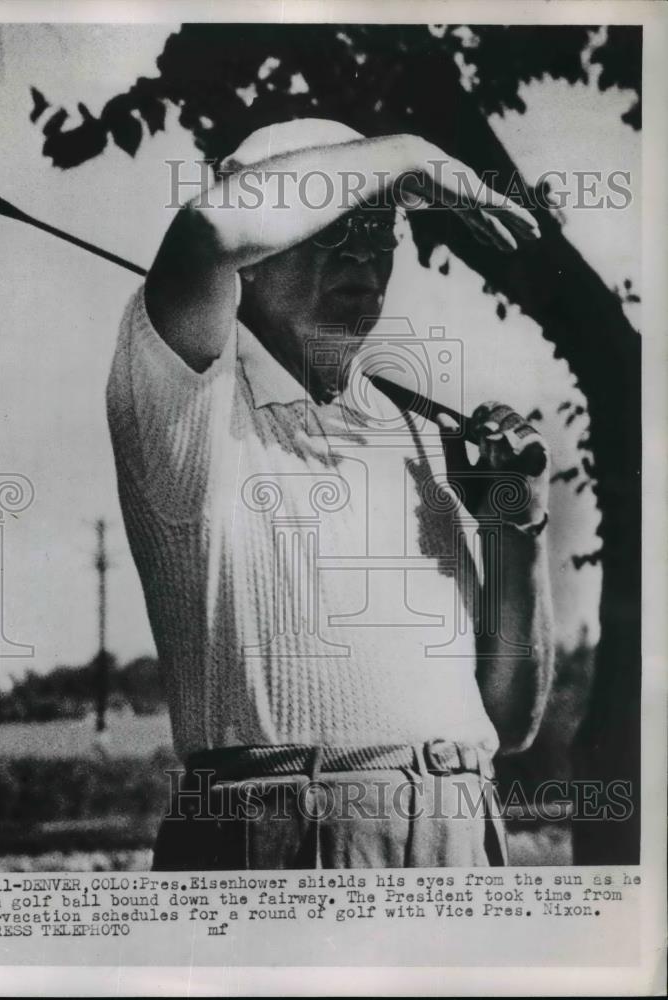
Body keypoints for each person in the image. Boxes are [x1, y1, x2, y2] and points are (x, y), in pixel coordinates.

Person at [106, 119, 554, 870]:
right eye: (333, 228)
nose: (365, 256)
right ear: (261, 245)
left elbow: (507, 724)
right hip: (284, 834)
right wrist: (414, 152)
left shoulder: (417, 434)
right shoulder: (180, 392)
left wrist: (517, 530)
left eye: (382, 235)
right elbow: (210, 229)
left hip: (462, 830)